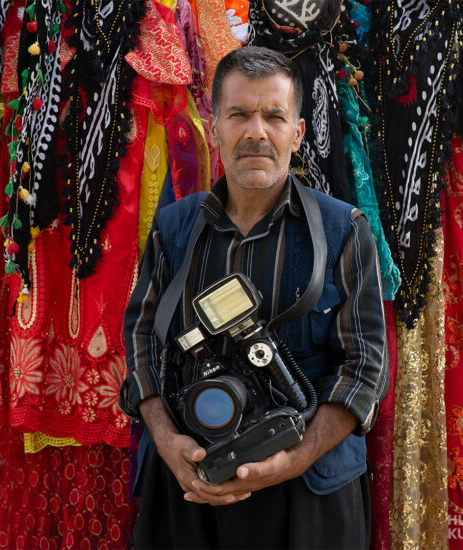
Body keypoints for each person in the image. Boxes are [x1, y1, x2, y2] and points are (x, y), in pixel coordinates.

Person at [119, 46, 388, 550]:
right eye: (239, 114)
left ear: (299, 132)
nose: (256, 132)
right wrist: (166, 439)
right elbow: (141, 340)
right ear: (214, 123)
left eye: (274, 116)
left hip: (310, 492)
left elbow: (366, 368)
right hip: (190, 485)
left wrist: (293, 458)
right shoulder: (175, 226)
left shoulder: (344, 230)